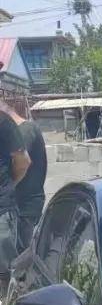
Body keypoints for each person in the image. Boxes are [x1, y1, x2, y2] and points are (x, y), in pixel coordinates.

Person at [7, 93, 46, 252]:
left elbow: (22, 163)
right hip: (19, 207)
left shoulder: (25, 130)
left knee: (23, 257)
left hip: (26, 207)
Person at [0, 95, 31, 284]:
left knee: (7, 273)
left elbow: (23, 162)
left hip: (1, 210)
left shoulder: (3, 122)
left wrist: (8, 186)